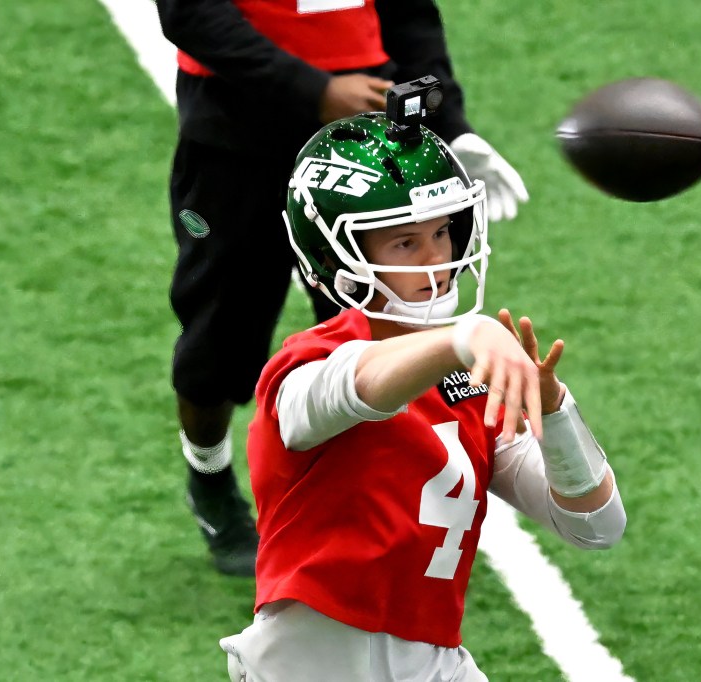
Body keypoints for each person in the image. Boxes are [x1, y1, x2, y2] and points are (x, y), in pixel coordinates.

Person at [217, 113, 626, 680]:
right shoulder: (303, 368)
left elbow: (596, 525)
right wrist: (459, 339)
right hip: (309, 663)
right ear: (338, 257)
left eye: (441, 232)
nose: (436, 259)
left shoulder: (473, 378)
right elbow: (357, 388)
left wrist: (555, 411)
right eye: (406, 241)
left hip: (430, 661)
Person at [155, 0, 529, 576]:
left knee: (390, 325)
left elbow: (408, 10)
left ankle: (384, 493)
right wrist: (313, 90)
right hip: (238, 125)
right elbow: (191, 12)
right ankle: (209, 476)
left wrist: (450, 123)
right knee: (220, 340)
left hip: (366, 133)